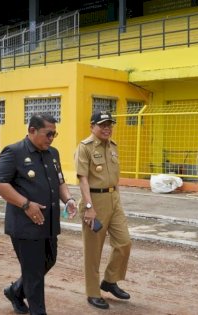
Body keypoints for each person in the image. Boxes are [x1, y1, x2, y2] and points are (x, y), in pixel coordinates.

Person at [0, 113, 77, 315]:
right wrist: (26, 204)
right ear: (32, 130)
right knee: (34, 274)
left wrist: (69, 199)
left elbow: (60, 180)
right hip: (25, 225)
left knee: (49, 261)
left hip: (48, 223)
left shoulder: (52, 153)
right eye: (48, 134)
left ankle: (15, 291)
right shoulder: (14, 152)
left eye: (54, 134)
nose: (51, 139)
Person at [74, 111, 132, 310]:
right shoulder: (85, 148)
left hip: (114, 199)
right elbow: (82, 179)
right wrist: (89, 208)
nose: (107, 128)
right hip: (94, 201)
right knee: (93, 251)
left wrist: (116, 199)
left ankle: (110, 280)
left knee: (124, 242)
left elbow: (114, 178)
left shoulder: (113, 147)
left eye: (110, 125)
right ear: (92, 126)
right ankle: (92, 292)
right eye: (102, 125)